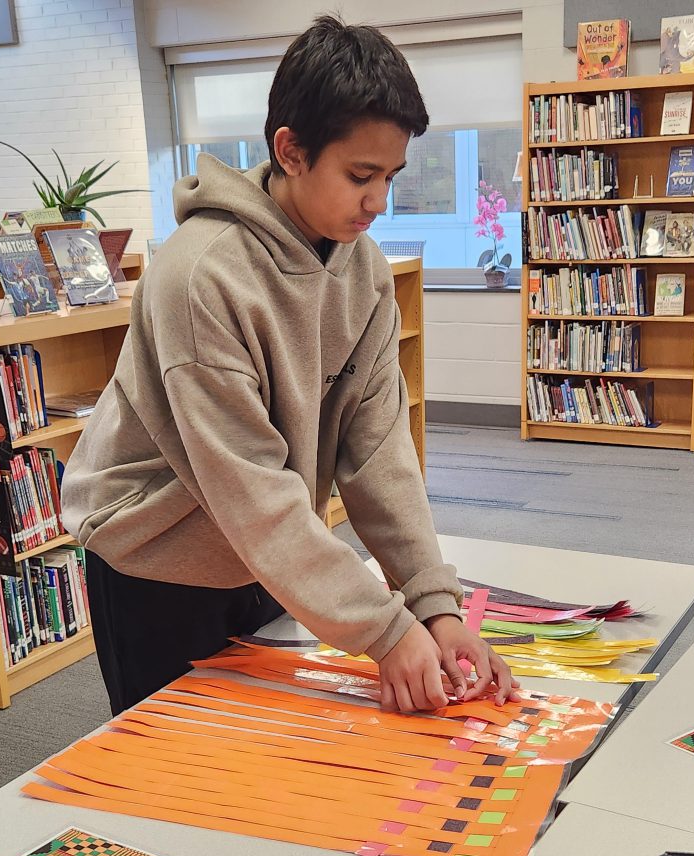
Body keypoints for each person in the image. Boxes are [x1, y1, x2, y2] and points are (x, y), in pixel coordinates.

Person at [61, 15, 517, 717]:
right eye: (360, 175)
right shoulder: (200, 277)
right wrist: (385, 632)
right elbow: (250, 490)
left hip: (267, 555)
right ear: (291, 150)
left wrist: (434, 606)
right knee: (179, 787)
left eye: (391, 176)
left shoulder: (362, 273)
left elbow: (379, 455)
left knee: (265, 760)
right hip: (156, 562)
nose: (379, 201)